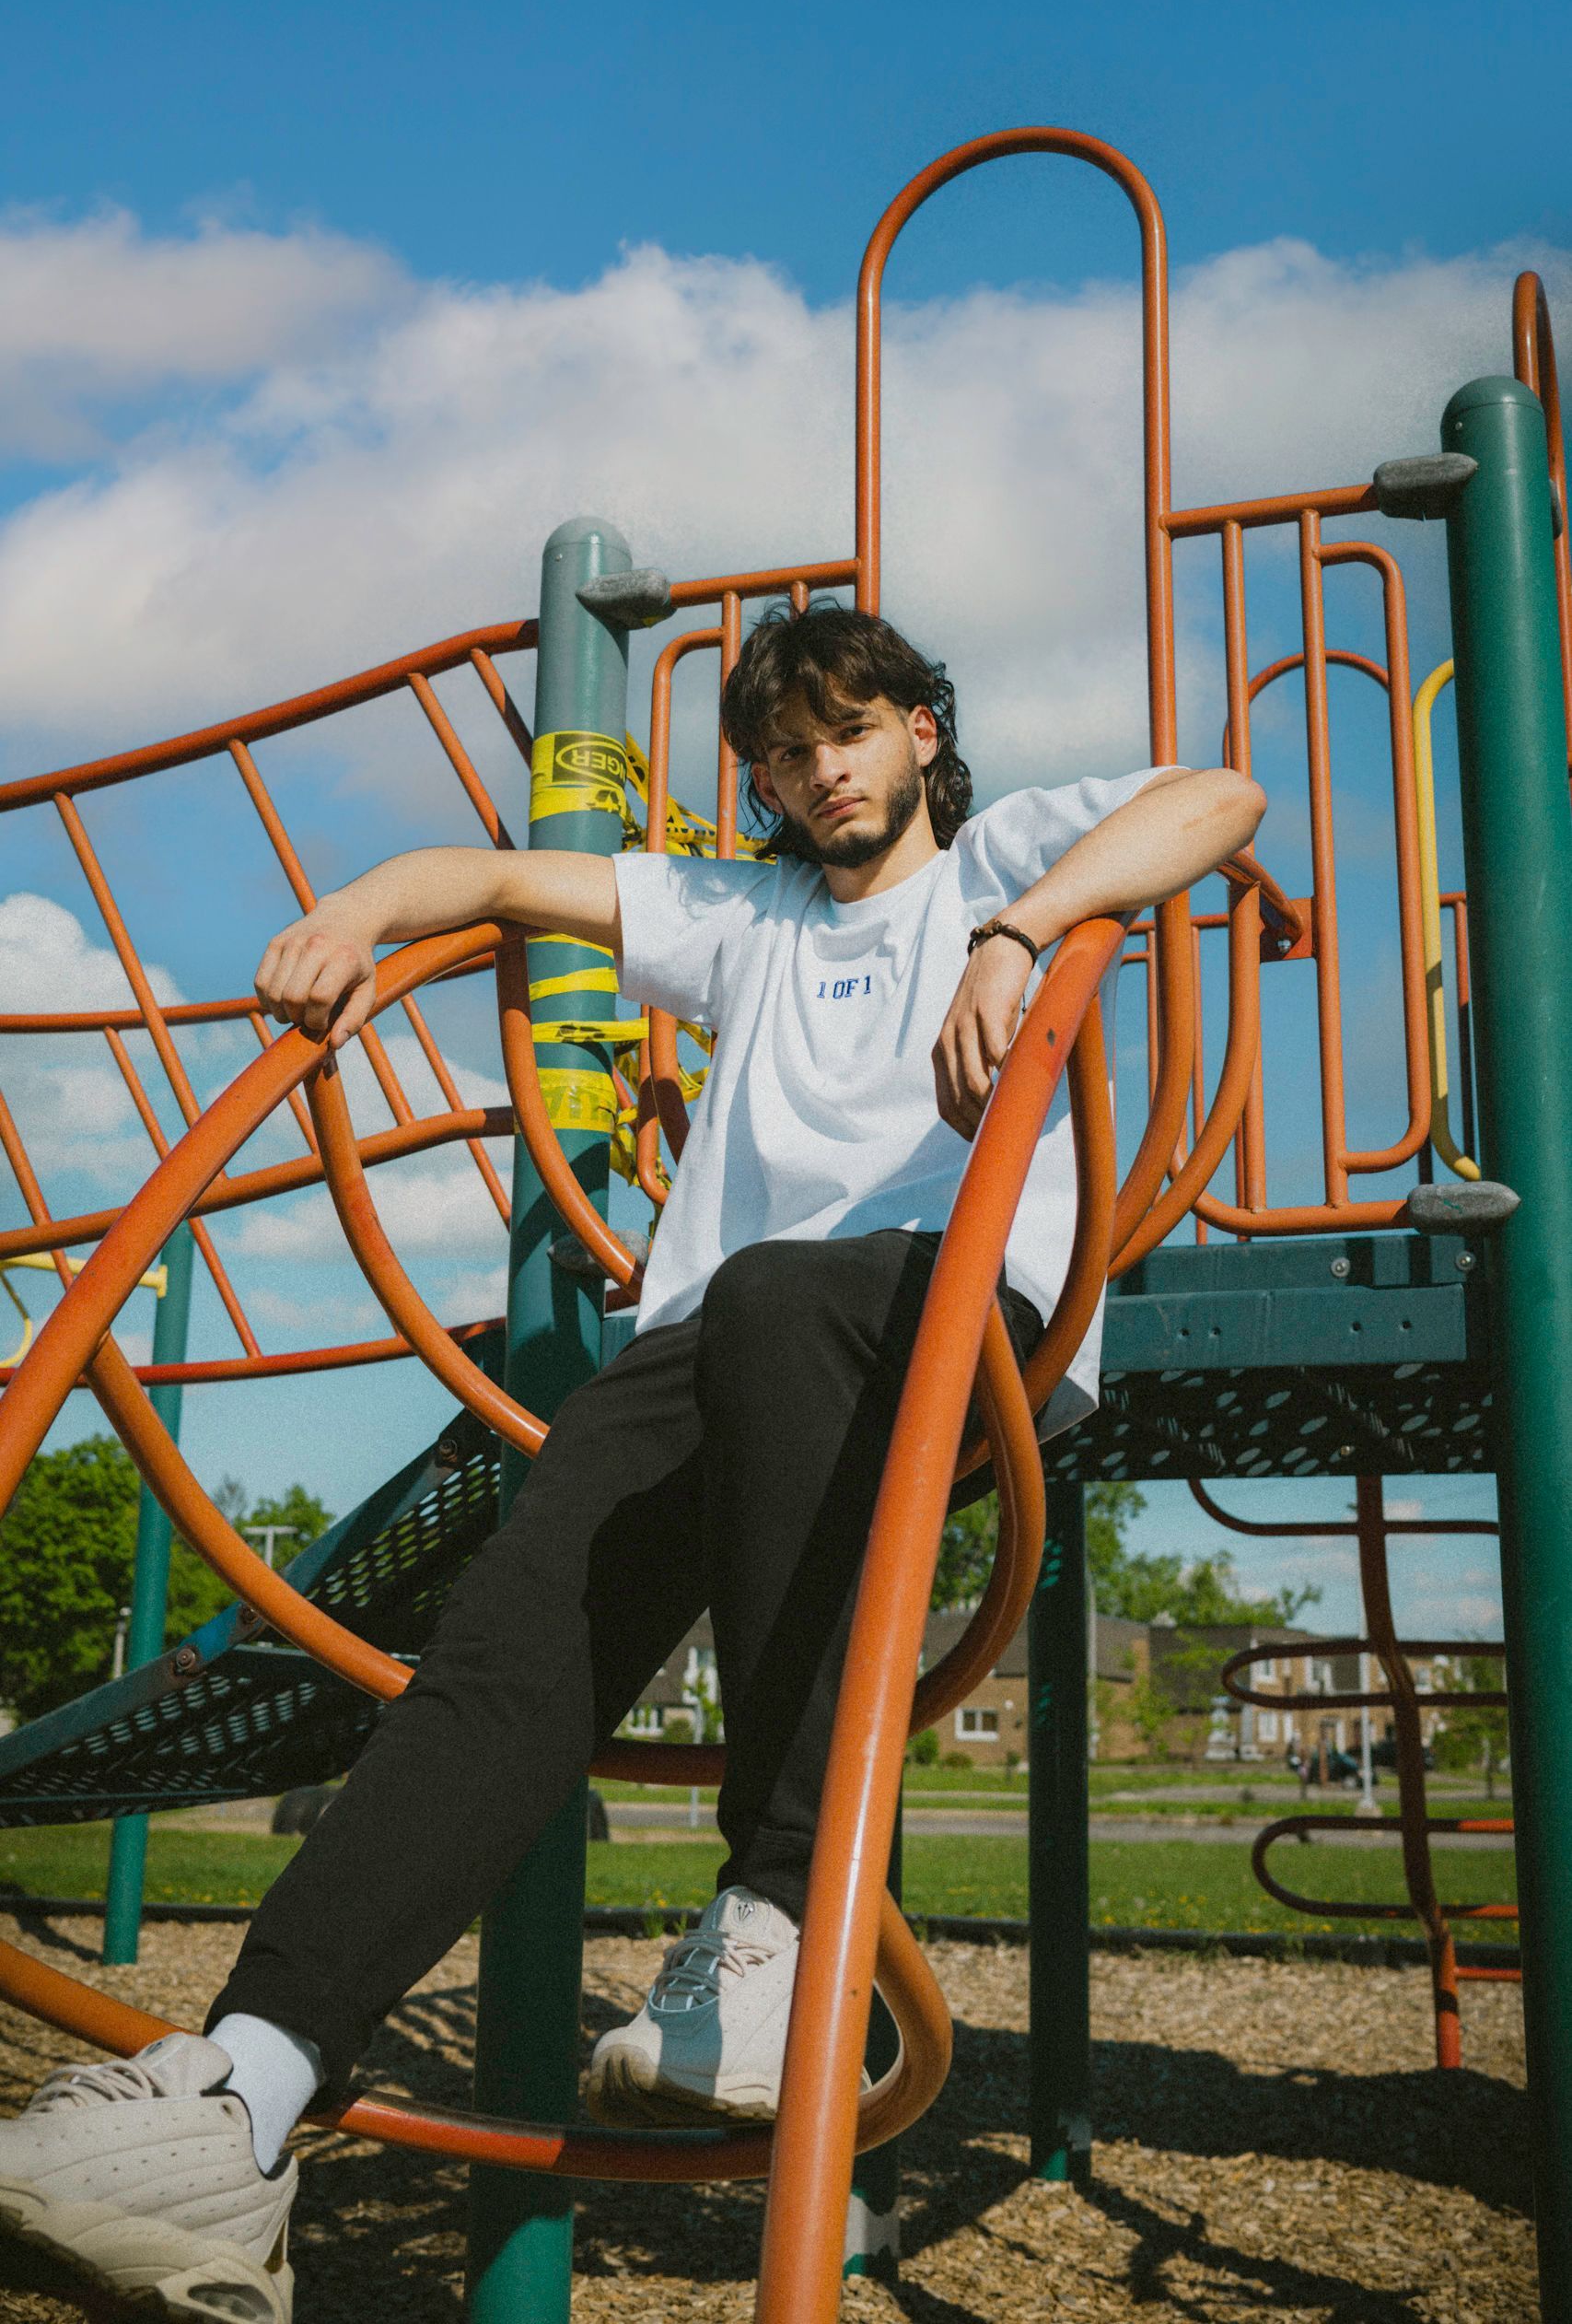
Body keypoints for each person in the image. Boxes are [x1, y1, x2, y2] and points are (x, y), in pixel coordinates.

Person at [0, 603, 1264, 2319]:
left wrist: (1026, 933)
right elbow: (518, 884)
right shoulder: (747, 919)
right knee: (506, 1646)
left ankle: (777, 1922)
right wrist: (374, 900)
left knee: (765, 1298)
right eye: (782, 751)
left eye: (850, 731)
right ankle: (249, 2086)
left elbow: (1221, 801)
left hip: (955, 1329)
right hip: (718, 1360)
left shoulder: (1004, 861)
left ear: (916, 734)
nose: (819, 770)